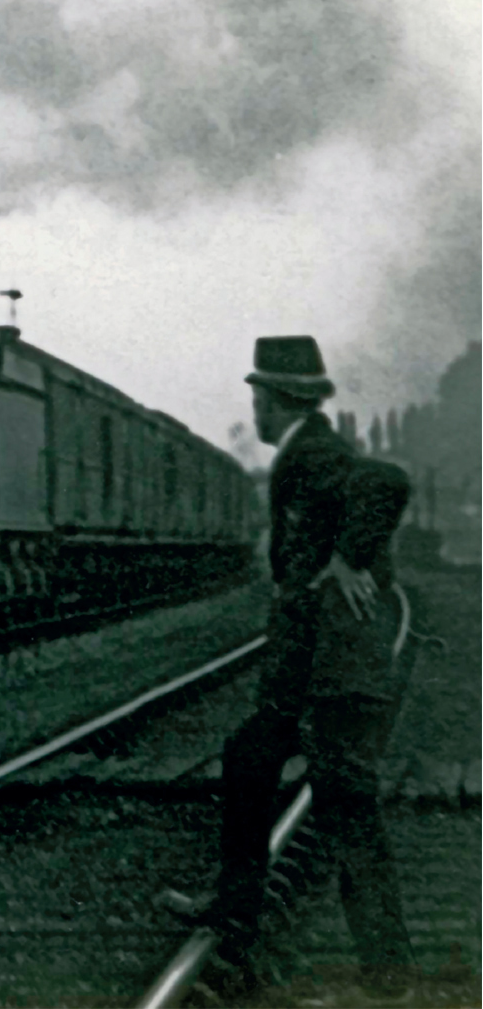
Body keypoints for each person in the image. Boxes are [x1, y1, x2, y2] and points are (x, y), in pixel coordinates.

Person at [159, 336, 416, 997]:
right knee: (248, 757)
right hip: (309, 668)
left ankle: (389, 974)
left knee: (349, 810)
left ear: (280, 399)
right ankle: (235, 909)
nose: (257, 412)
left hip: (336, 670)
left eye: (259, 399)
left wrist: (350, 558)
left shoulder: (318, 451)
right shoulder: (307, 451)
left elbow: (390, 481)